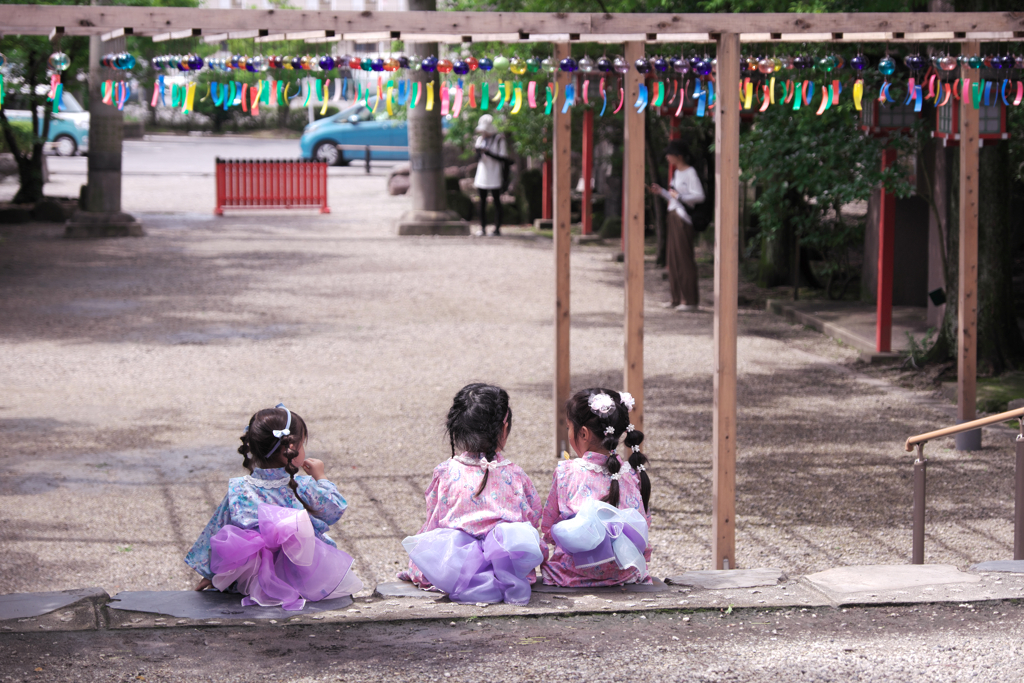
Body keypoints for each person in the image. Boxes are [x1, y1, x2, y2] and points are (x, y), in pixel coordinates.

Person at [184, 404, 362, 611]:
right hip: (301, 573)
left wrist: (211, 574)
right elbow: (334, 509)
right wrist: (321, 477)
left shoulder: (239, 489)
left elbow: (218, 529)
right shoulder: (304, 486)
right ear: (292, 448)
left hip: (252, 576)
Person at [398, 383, 545, 605]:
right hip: (507, 567)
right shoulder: (515, 474)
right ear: (504, 429)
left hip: (457, 566)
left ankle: (473, 581)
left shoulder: (446, 472)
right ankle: (500, 578)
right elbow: (532, 517)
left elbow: (434, 521)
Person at [540, 389, 651, 587]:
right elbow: (642, 526)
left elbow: (548, 528)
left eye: (569, 427)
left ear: (583, 433)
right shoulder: (632, 475)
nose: (569, 432)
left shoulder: (567, 471)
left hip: (572, 573)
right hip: (623, 573)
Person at [650, 140, 705, 312]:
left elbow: (700, 196)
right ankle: (676, 298)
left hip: (683, 219)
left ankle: (689, 300)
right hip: (673, 215)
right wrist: (662, 192)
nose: (667, 157)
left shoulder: (690, 172)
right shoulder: (676, 173)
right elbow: (674, 196)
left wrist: (680, 197)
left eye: (670, 154)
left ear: (679, 156)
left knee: (684, 258)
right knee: (672, 259)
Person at [473, 114, 509, 237]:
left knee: (497, 201)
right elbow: (477, 158)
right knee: (482, 201)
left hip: (495, 173)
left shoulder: (499, 139)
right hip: (482, 173)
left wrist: (488, 153)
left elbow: (503, 158)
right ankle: (482, 227)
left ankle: (497, 228)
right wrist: (478, 152)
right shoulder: (480, 139)